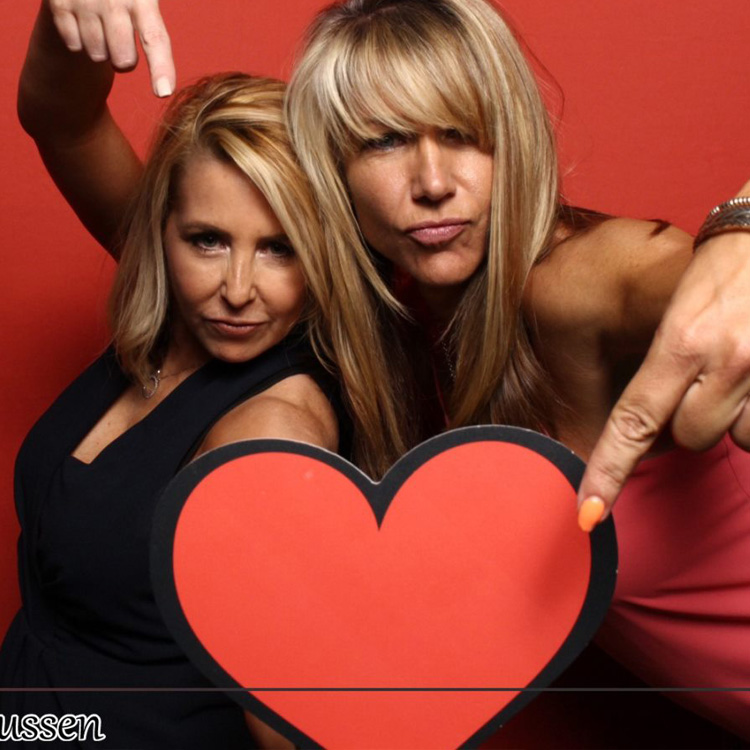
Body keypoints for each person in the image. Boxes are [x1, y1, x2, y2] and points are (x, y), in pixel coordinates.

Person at [17, 0, 750, 744]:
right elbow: (67, 124)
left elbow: (664, 273)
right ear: (334, 173)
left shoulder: (570, 284)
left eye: (464, 134)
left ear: (516, 137)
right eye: (386, 140)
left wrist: (740, 234)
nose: (433, 180)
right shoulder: (346, 306)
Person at [4, 37, 348, 747]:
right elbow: (58, 113)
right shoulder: (170, 314)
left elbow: (291, 725)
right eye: (208, 240)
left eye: (281, 248)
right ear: (161, 232)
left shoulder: (272, 432)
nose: (238, 289)